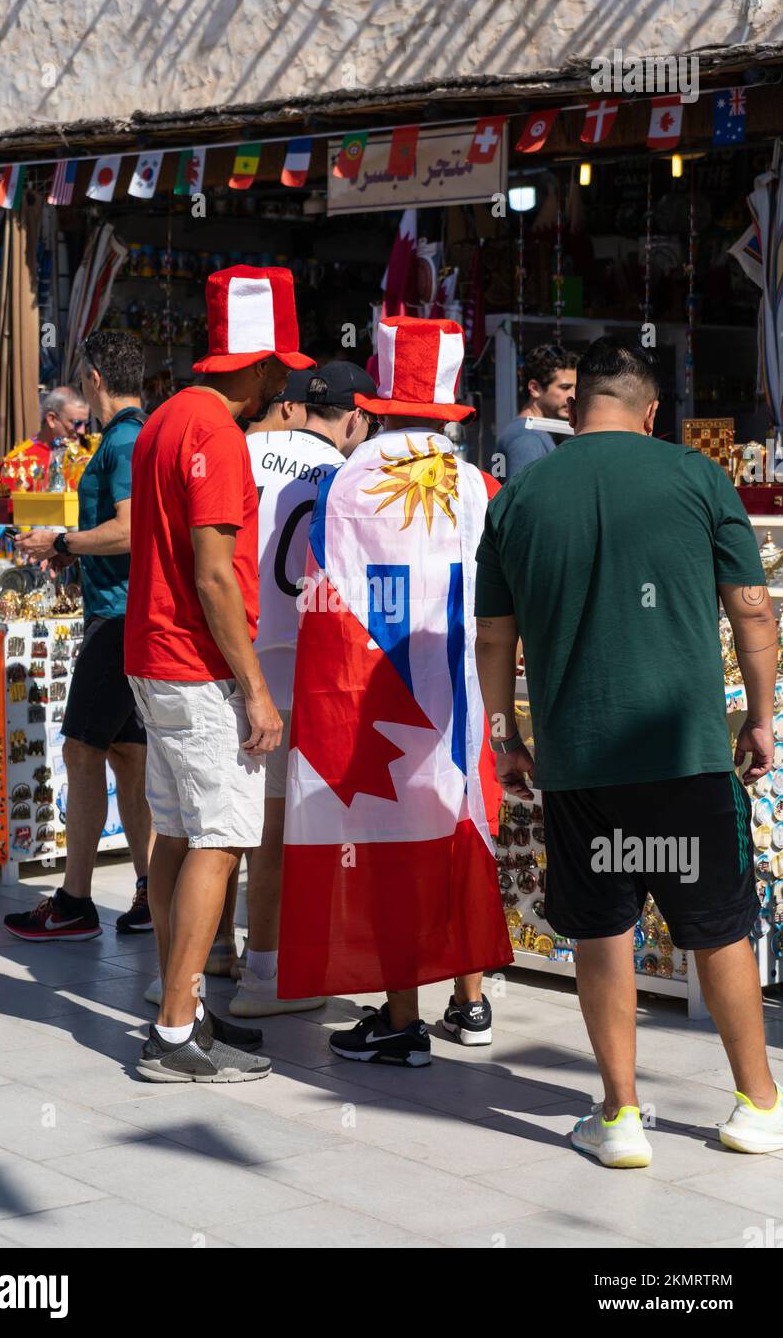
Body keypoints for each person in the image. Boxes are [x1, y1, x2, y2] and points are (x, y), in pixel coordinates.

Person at [474, 336, 783, 1166]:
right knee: (717, 926)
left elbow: (493, 637)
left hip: (580, 756)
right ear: (652, 413)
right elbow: (753, 611)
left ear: (572, 410)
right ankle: (757, 1102)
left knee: (603, 929)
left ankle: (621, 1117)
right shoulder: (696, 476)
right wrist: (761, 717)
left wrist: (505, 737)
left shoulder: (520, 496)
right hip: (685, 749)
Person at [278, 316, 513, 1065]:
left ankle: (401, 1019)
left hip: (379, 692)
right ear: (451, 403)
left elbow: (323, 586)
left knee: (386, 851)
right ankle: (470, 1003)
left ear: (377, 398)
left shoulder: (347, 479)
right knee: (458, 833)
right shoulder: (479, 483)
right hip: (461, 693)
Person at [125, 264, 314, 1084]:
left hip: (154, 657)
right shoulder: (217, 435)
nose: (285, 382)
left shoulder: (168, 416)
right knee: (225, 836)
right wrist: (258, 688)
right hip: (196, 666)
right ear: (264, 365)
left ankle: (185, 1002)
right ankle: (173, 1028)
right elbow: (213, 575)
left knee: (179, 831)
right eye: (282, 366)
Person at [228, 360, 379, 1017]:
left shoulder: (238, 448)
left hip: (226, 655)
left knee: (207, 830)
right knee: (276, 834)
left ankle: (198, 962)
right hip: (300, 668)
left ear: (293, 405)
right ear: (354, 418)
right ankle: (265, 973)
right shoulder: (348, 476)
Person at [5, 332, 154, 942]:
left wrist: (60, 542)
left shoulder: (121, 441)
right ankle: (149, 892)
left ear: (94, 379)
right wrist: (76, 556)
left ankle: (75, 901)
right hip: (127, 614)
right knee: (129, 758)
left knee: (82, 752)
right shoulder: (140, 435)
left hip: (117, 621)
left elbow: (128, 529)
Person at [493, 344, 577, 481]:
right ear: (535, 388)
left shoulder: (528, 431)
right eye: (565, 387)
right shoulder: (527, 439)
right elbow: (524, 501)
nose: (573, 396)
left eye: (575, 388)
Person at [0, 386, 89, 491]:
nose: (82, 431)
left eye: (85, 423)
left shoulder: (84, 458)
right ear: (51, 419)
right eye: (76, 423)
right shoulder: (17, 462)